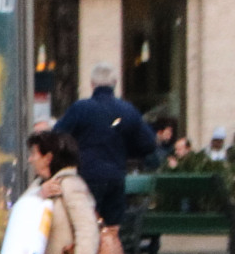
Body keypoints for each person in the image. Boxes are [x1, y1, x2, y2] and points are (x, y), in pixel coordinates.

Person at [53, 63, 157, 231]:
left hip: (86, 177)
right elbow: (149, 143)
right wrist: (126, 152)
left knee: (86, 226)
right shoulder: (127, 110)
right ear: (114, 82)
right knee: (112, 229)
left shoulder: (81, 108)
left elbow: (57, 136)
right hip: (116, 175)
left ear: (92, 84)